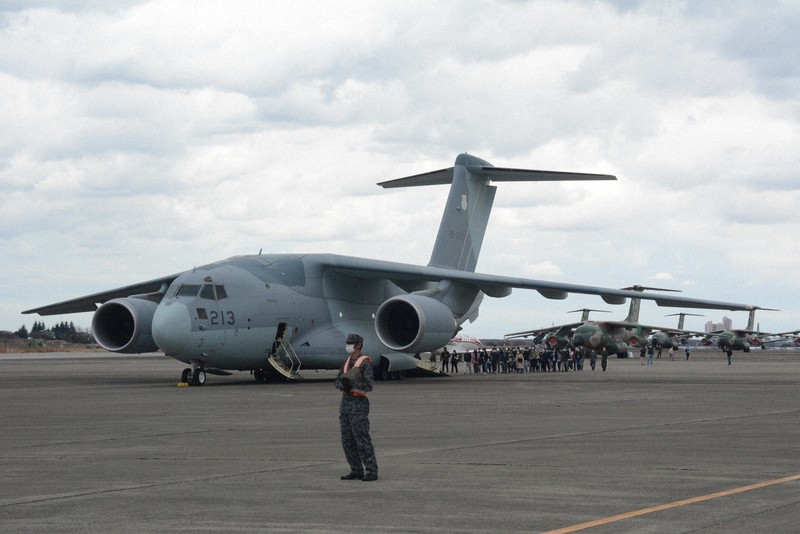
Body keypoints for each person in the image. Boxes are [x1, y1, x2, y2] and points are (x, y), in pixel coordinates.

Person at [335, 333, 378, 482]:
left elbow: (369, 385)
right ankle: (356, 469)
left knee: (362, 439)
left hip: (358, 406)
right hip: (345, 406)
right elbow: (337, 380)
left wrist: (352, 386)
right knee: (347, 441)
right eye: (348, 343)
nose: (348, 345)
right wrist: (343, 386)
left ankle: (371, 470)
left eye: (351, 343)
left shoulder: (365, 363)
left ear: (358, 345)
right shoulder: (346, 362)